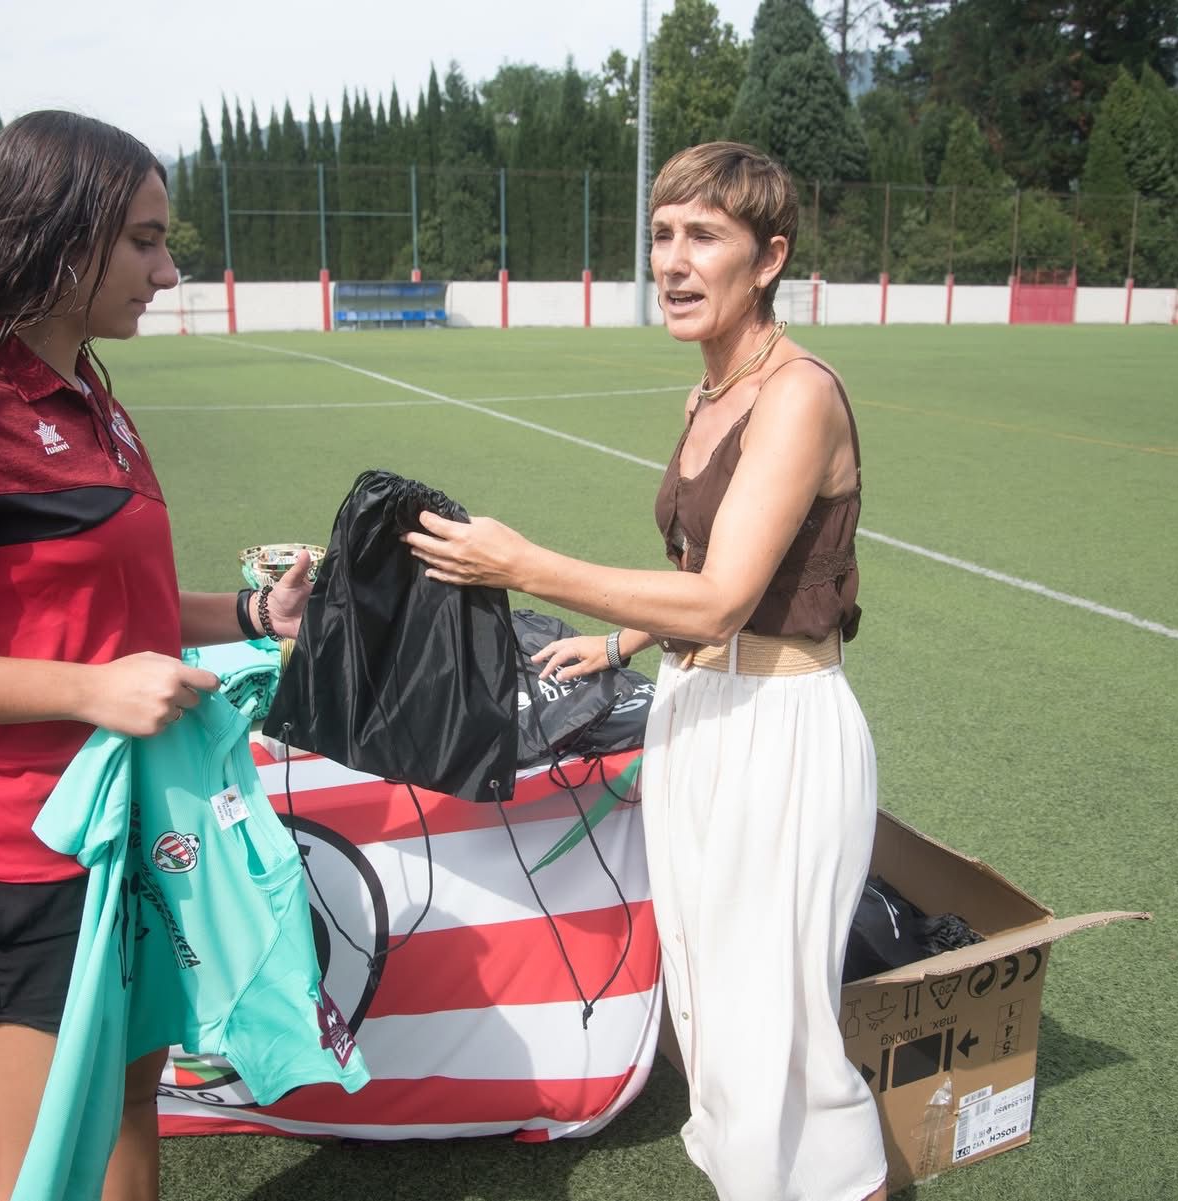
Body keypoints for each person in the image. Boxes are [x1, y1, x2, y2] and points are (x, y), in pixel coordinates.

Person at [0, 110, 311, 1201]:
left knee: (135, 1115)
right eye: (142, 239)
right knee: (49, 1171)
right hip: (17, 859)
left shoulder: (94, 396)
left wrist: (254, 611)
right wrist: (89, 689)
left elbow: (113, 607)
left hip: (126, 835)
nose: (168, 269)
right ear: (56, 234)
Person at [405, 141, 888, 1201]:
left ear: (769, 259)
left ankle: (842, 1183)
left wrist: (522, 565)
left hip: (782, 724)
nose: (672, 260)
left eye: (702, 236)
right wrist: (623, 643)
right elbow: (704, 578)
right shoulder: (704, 394)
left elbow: (722, 600)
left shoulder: (797, 395)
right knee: (711, 1000)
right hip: (696, 707)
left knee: (777, 1014)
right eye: (661, 234)